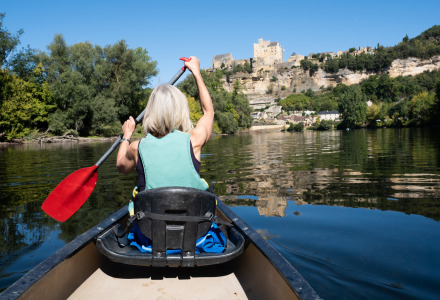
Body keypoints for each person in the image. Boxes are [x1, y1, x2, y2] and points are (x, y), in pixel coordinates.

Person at [116, 57, 225, 254]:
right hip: (197, 235)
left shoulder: (136, 147)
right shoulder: (194, 140)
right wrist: (197, 74)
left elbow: (121, 167)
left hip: (150, 237)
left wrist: (126, 136)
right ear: (179, 110)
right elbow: (208, 113)